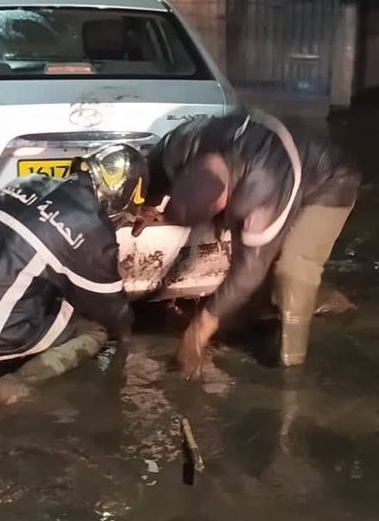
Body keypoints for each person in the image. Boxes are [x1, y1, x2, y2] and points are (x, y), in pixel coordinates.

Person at [135, 108, 360, 373]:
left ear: (223, 202)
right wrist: (148, 203)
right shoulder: (183, 145)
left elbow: (249, 269)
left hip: (330, 182)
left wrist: (198, 331)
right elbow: (157, 166)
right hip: (281, 162)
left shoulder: (261, 190)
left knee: (293, 270)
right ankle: (305, 302)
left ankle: (291, 366)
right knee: (257, 287)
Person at [0, 143, 146, 377]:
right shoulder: (92, 228)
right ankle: (22, 381)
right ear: (119, 197)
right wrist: (126, 334)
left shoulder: (26, 181)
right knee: (95, 329)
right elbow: (111, 309)